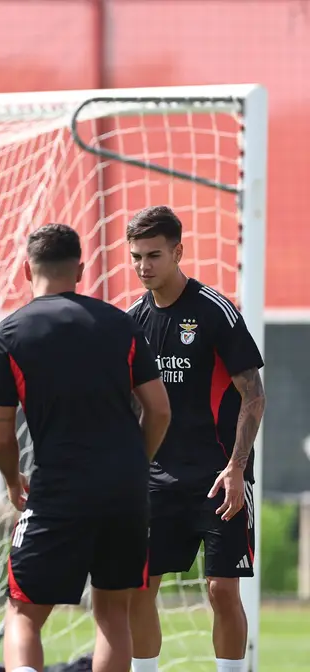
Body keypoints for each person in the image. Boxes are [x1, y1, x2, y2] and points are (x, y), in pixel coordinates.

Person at [0, 223, 171, 672]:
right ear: (81, 269)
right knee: (112, 614)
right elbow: (160, 411)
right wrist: (133, 466)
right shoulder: (121, 324)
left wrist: (12, 481)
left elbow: (0, 434)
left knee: (24, 612)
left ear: (27, 271)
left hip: (60, 489)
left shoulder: (7, 335)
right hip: (125, 490)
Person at [123, 206, 266, 672]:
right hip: (155, 480)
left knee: (221, 590)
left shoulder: (214, 311)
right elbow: (125, 405)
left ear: (178, 252)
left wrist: (238, 468)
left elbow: (254, 394)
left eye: (154, 255)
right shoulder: (131, 323)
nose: (144, 266)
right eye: (137, 257)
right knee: (138, 587)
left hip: (217, 475)